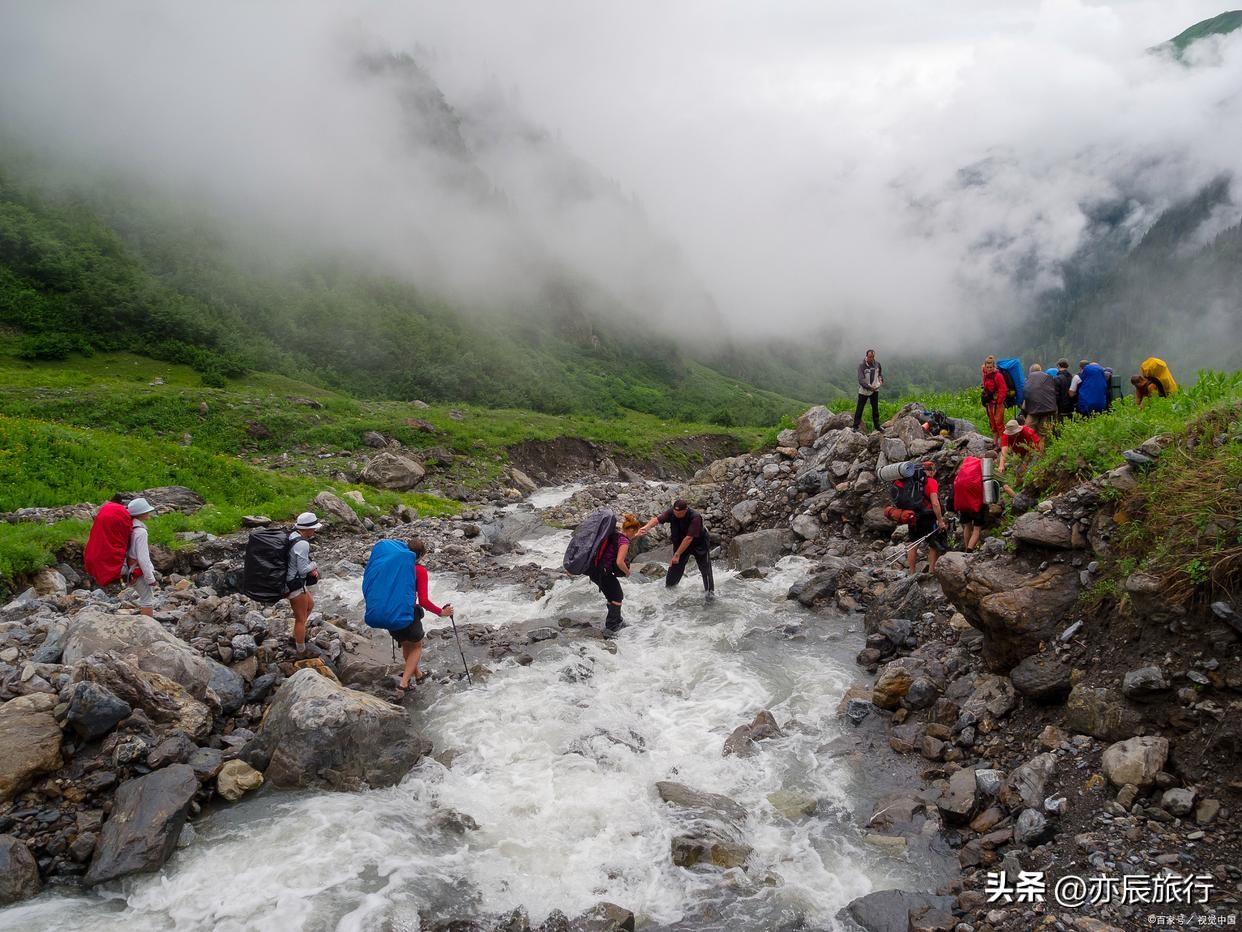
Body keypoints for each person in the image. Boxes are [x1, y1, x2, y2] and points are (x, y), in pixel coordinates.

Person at [393, 538, 454, 696]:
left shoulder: (396, 567)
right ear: (420, 555)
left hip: (390, 613)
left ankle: (418, 675)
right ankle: (403, 684)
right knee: (417, 646)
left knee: (407, 645)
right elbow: (424, 601)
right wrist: (441, 612)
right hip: (407, 613)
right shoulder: (419, 570)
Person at [635, 499, 715, 599]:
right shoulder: (671, 512)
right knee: (675, 566)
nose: (676, 514)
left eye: (679, 513)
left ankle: (710, 594)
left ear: (685, 510)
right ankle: (669, 590)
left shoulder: (695, 517)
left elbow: (689, 538)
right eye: (675, 512)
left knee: (705, 569)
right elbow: (657, 519)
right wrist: (646, 527)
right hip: (680, 542)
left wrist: (677, 554)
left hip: (699, 543)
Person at [587, 514, 635, 635]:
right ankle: (611, 627)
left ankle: (617, 620)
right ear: (630, 530)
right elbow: (619, 562)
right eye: (634, 533)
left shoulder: (614, 535)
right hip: (604, 572)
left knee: (611, 596)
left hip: (594, 569)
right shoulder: (624, 541)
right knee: (618, 596)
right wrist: (627, 572)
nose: (634, 536)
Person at [900, 461, 947, 575]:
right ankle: (931, 571)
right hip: (929, 517)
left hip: (913, 516)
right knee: (934, 545)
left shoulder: (911, 482)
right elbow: (935, 503)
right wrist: (940, 520)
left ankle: (911, 573)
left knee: (913, 544)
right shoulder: (931, 482)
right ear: (931, 471)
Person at [286, 512, 323, 654]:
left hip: (294, 580)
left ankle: (297, 635)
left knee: (310, 604)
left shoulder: (293, 535)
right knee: (300, 619)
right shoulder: (302, 544)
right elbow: (302, 569)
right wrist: (313, 565)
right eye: (313, 528)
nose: (315, 531)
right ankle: (300, 650)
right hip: (295, 584)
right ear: (307, 529)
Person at [952, 453, 994, 552]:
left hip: (963, 501)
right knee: (977, 529)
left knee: (967, 526)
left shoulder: (968, 465)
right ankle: (969, 550)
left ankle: (966, 548)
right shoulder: (985, 467)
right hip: (977, 503)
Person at [124, 498, 158, 617]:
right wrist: (150, 578)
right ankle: (148, 629)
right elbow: (143, 559)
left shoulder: (128, 528)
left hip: (128, 569)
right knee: (147, 600)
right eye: (147, 511)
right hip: (136, 570)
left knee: (145, 598)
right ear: (141, 514)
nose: (148, 513)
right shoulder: (141, 532)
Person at [1021, 363, 1059, 437]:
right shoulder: (1048, 377)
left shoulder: (1029, 379)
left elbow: (1026, 394)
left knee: (1029, 432)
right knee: (1042, 434)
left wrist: (1024, 411)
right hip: (1047, 410)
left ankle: (1031, 447)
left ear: (1031, 372)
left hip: (1033, 411)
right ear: (1040, 370)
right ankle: (1041, 448)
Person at [852, 349, 883, 432]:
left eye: (873, 357)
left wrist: (881, 380)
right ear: (866, 356)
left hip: (875, 390)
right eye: (870, 357)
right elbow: (861, 380)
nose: (871, 358)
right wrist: (869, 387)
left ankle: (877, 426)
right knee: (860, 408)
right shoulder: (862, 366)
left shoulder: (877, 364)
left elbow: (880, 374)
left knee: (875, 409)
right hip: (864, 391)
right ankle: (855, 426)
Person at [980, 356, 1007, 441]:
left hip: (997, 404)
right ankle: (995, 442)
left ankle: (1003, 443)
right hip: (989, 403)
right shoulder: (985, 374)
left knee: (999, 423)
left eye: (991, 367)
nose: (989, 369)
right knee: (992, 423)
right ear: (985, 366)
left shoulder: (998, 376)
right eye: (987, 367)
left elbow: (1003, 389)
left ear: (994, 366)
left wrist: (998, 401)